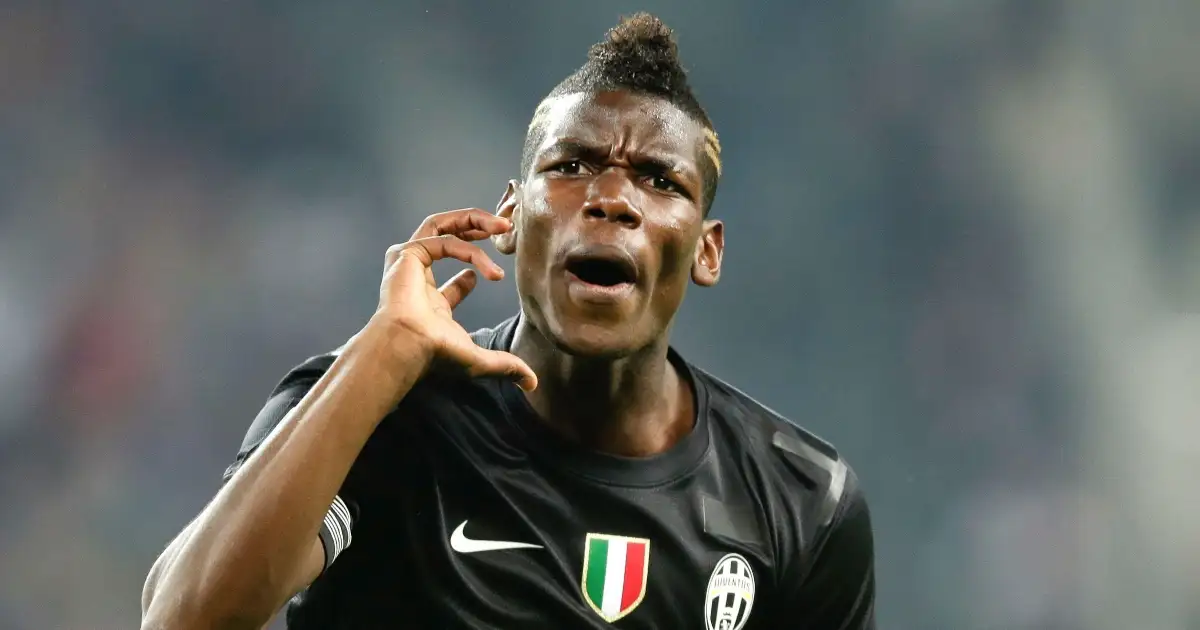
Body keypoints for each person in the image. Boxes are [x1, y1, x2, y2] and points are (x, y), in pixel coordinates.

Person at [139, 13, 876, 630]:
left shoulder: (800, 505)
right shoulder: (377, 413)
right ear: (510, 217)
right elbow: (184, 618)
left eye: (659, 180)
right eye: (572, 166)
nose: (612, 198)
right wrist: (384, 352)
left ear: (706, 251)